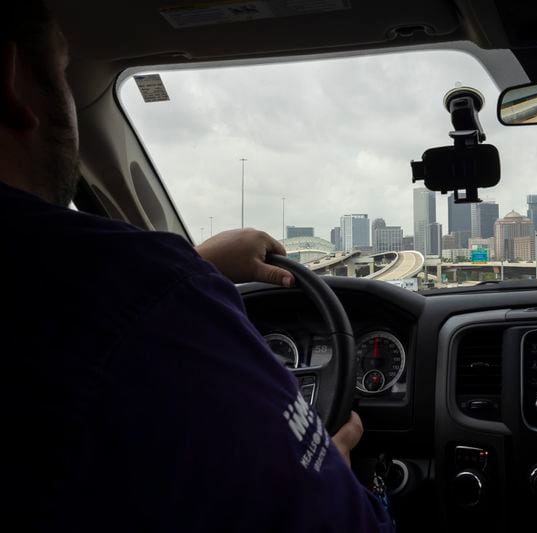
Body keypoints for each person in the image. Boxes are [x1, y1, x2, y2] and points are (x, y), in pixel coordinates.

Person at [0, 3, 393, 531]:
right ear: (10, 81)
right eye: (65, 73)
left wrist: (192, 264)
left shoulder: (132, 295)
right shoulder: (143, 293)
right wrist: (336, 475)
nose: (69, 97)